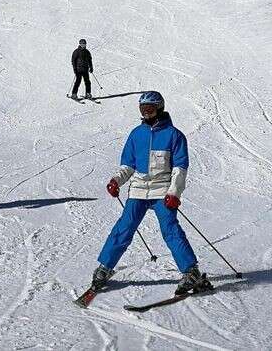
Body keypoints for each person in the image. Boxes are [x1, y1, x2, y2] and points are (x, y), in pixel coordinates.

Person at [89, 91, 212, 296]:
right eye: (142, 109)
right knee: (124, 228)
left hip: (162, 190)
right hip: (138, 189)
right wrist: (116, 180)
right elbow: (128, 165)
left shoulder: (174, 135)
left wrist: (174, 193)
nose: (146, 114)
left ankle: (191, 272)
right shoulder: (137, 134)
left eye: (150, 109)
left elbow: (179, 169)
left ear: (159, 108)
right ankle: (105, 267)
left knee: (170, 229)